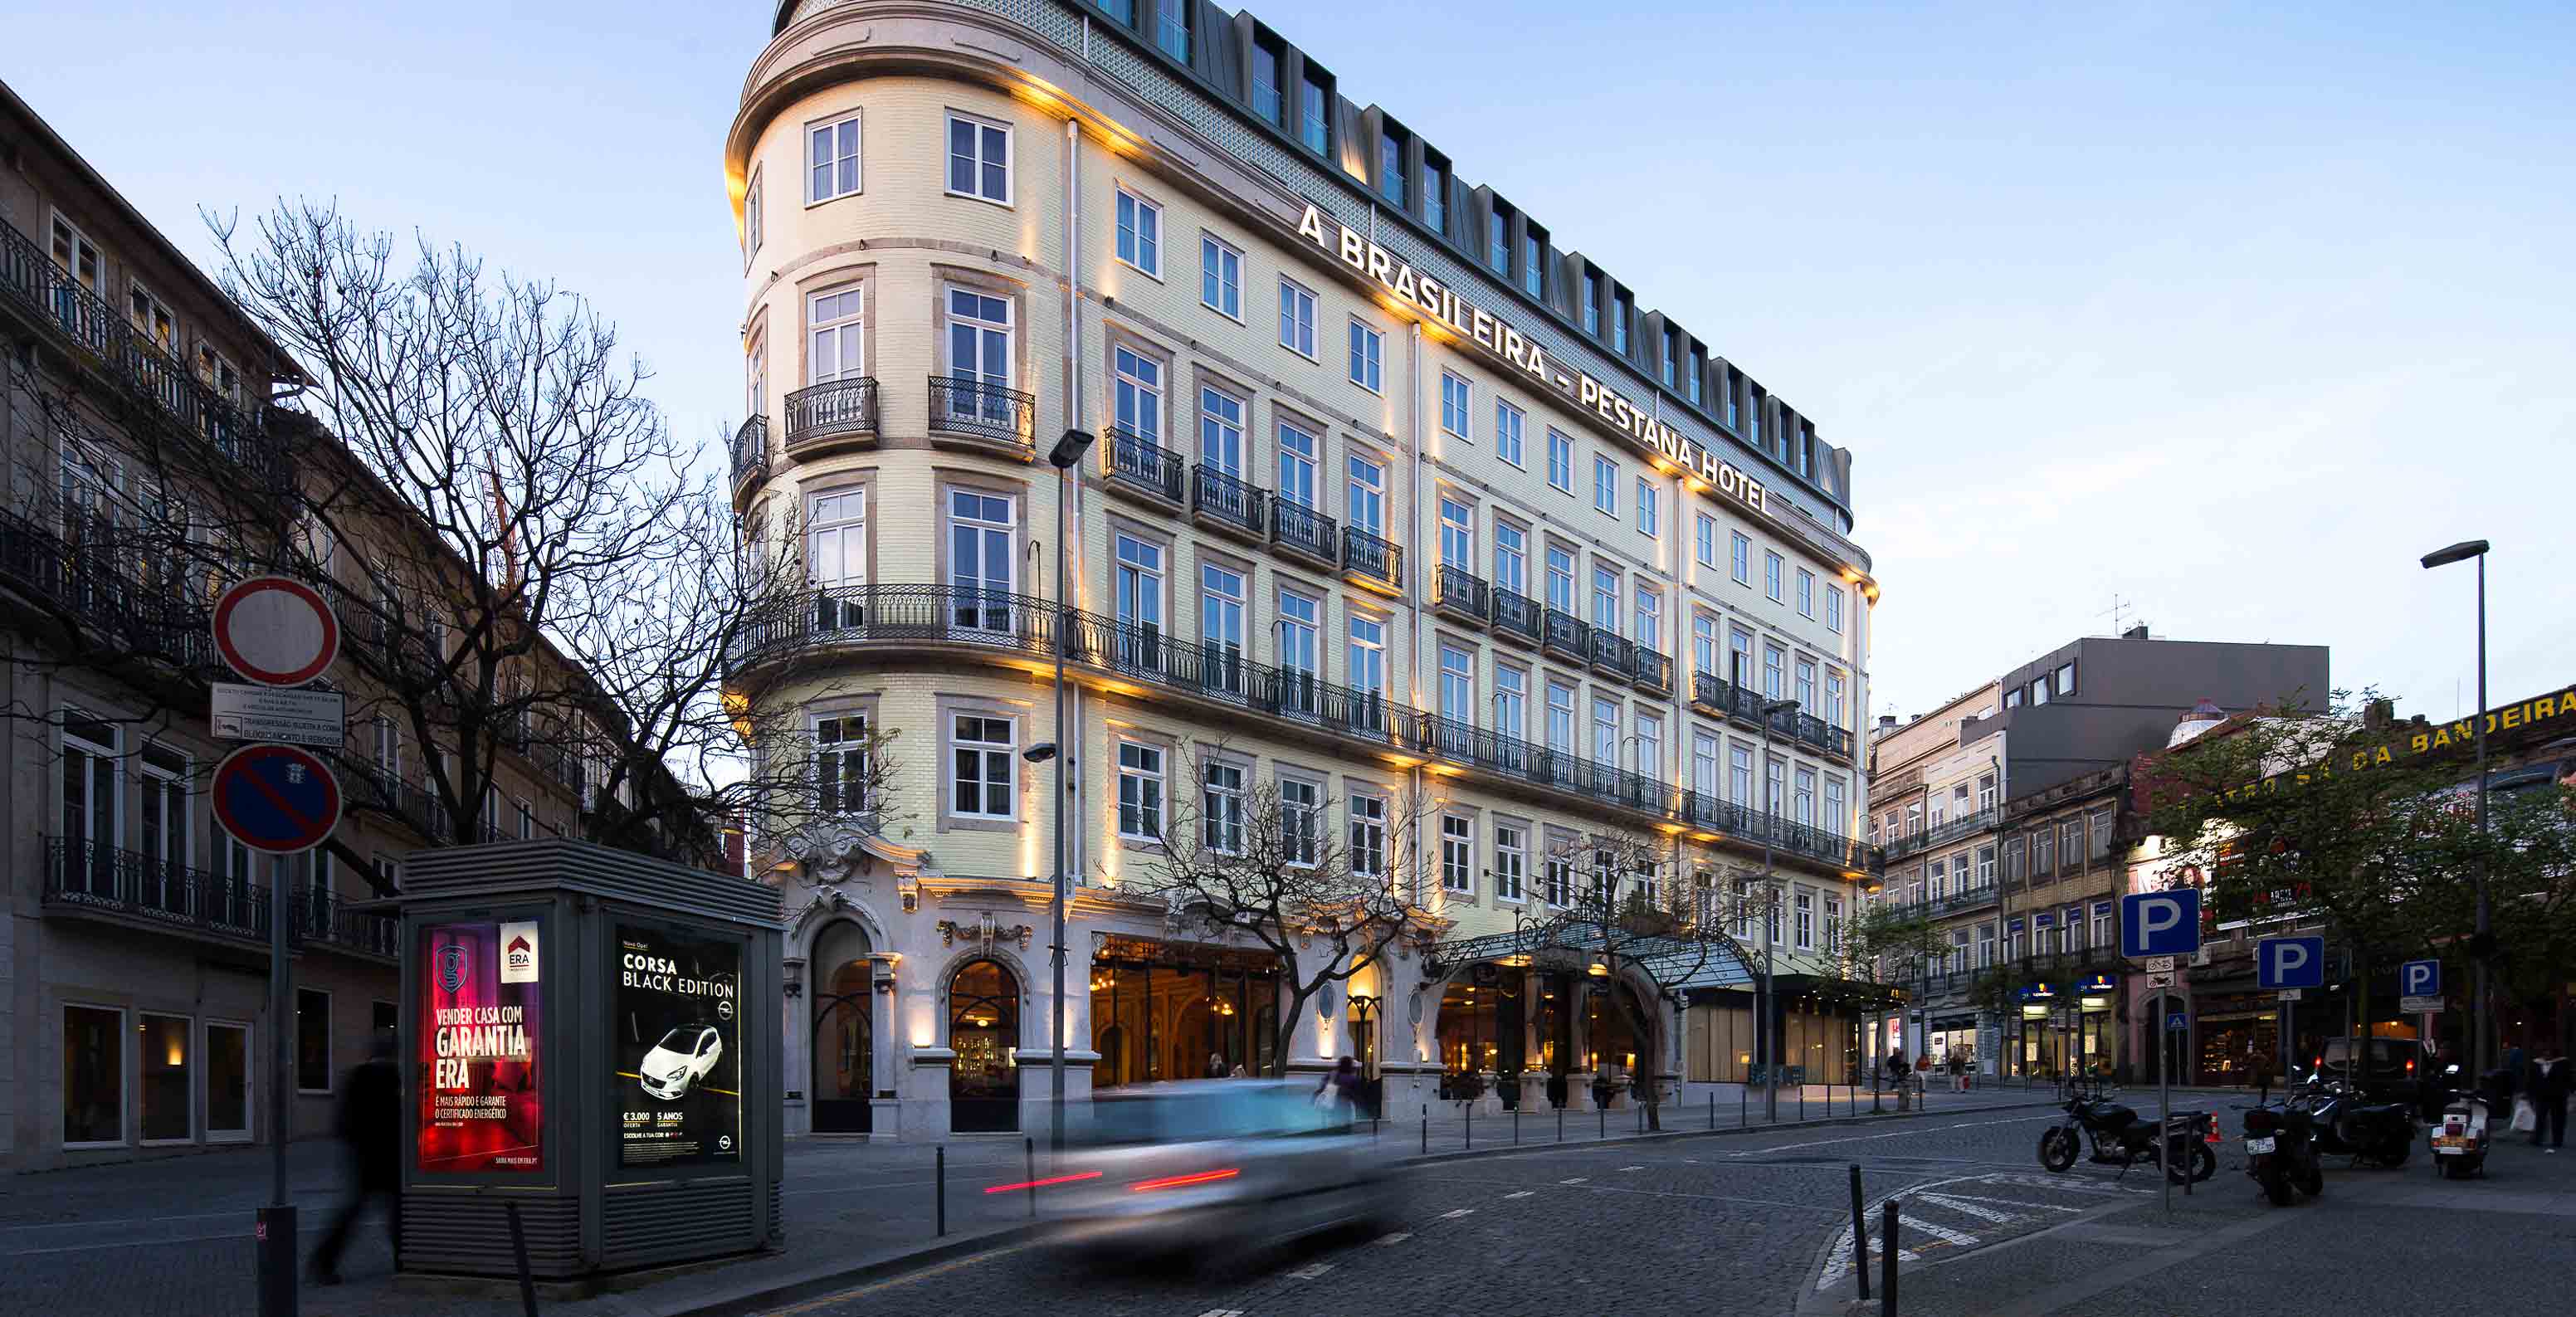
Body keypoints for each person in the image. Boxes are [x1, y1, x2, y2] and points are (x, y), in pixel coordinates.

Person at [312, 1027, 401, 1285]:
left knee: (356, 1211)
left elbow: (342, 1122)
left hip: (364, 1156)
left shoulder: (356, 1077)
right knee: (395, 1211)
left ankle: (323, 1262)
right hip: (388, 1157)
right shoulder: (394, 1077)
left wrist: (355, 1145)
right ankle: (403, 1259)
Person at [2527, 1047, 2570, 1152]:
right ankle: (2537, 1139)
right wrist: (2529, 1093)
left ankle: (2557, 1140)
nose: (2547, 1055)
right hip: (2542, 1095)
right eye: (2545, 1053)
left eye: (2549, 1053)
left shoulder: (2562, 1063)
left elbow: (2568, 1078)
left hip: (2558, 1096)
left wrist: (2568, 1090)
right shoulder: (2536, 1064)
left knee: (2558, 1119)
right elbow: (2531, 1079)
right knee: (2540, 1117)